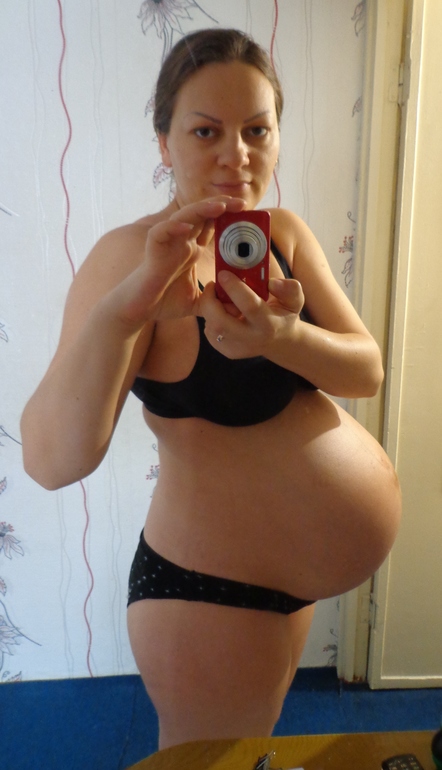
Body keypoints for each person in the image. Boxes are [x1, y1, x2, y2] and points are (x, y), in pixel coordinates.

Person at [20, 29, 401, 750]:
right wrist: (126, 311)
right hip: (210, 590)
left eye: (258, 130)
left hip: (294, 579)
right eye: (206, 131)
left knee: (255, 744)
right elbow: (51, 460)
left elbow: (367, 371)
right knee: (213, 761)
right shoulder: (132, 258)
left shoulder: (283, 234)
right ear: (164, 142)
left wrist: (285, 340)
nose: (238, 154)